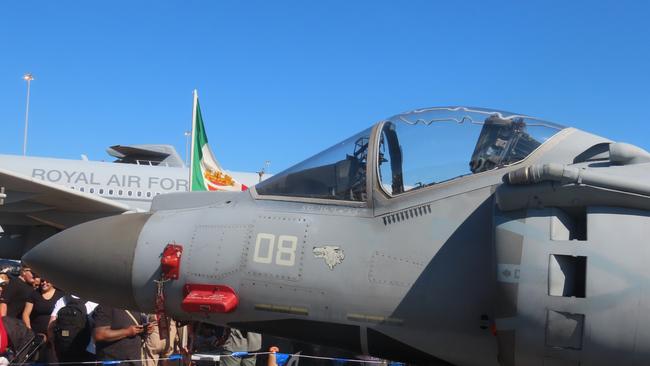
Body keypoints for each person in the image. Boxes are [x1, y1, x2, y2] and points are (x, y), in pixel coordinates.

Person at [48, 295, 98, 364]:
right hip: (87, 350)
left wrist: (54, 347)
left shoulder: (62, 299)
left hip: (63, 350)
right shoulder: (94, 301)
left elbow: (51, 327)